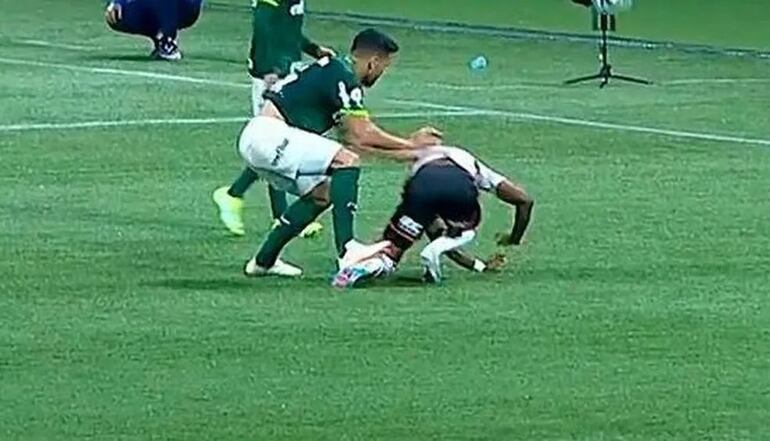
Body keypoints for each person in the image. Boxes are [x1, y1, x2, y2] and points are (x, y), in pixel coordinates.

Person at [235, 29, 442, 278]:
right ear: (372, 61)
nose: (380, 73)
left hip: (258, 141)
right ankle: (348, 251)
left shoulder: (332, 70)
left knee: (323, 194)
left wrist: (407, 153)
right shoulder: (344, 77)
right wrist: (413, 145)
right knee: (346, 161)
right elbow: (361, 135)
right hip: (270, 135)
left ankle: (263, 261)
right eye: (382, 68)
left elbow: (352, 140)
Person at [212, 0, 335, 238]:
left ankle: (271, 211)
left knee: (279, 141)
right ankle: (238, 197)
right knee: (272, 141)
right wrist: (269, 66)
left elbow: (287, 30)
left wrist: (314, 49)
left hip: (287, 70)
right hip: (270, 75)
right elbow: (264, 27)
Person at [332, 145, 534, 288]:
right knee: (461, 231)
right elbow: (525, 201)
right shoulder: (473, 164)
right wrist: (514, 239)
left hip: (420, 187)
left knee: (393, 248)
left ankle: (364, 269)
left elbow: (436, 237)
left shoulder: (418, 166)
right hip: (458, 185)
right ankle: (459, 231)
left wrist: (476, 265)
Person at [104, 0, 204, 60]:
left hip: (186, 5)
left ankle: (168, 41)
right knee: (116, 16)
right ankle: (158, 38)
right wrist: (116, 3)